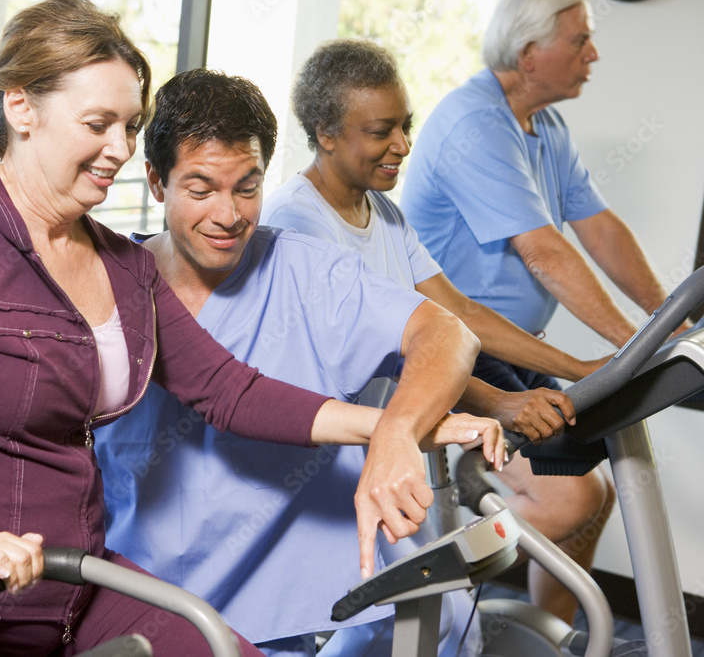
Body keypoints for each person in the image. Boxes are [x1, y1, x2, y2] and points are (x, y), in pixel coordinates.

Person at [0, 0, 498, 655]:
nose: (117, 146)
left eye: (129, 125)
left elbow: (232, 390)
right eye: (97, 122)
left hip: (65, 586)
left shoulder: (119, 264)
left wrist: (396, 426)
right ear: (20, 106)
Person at [95, 68, 519, 657]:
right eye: (201, 189)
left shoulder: (306, 273)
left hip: (300, 614)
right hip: (147, 605)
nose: (228, 214)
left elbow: (446, 333)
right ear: (155, 182)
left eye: (247, 186)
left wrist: (398, 431)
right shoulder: (101, 286)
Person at [261, 35, 614, 629]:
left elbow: (459, 317)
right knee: (425, 617)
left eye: (405, 125)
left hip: (404, 438)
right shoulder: (298, 227)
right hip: (339, 459)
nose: (402, 145)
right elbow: (388, 358)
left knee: (447, 621)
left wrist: (583, 368)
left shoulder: (386, 213)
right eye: (381, 131)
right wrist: (500, 403)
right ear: (325, 133)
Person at [400, 0, 691, 624]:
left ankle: (556, 632)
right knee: (567, 500)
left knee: (597, 496)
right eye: (580, 39)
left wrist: (671, 318)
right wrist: (635, 348)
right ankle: (424, 612)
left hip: (510, 344)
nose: (594, 52)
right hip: (450, 347)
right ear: (529, 54)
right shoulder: (474, 123)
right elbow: (545, 254)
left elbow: (599, 228)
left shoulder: (544, 126)